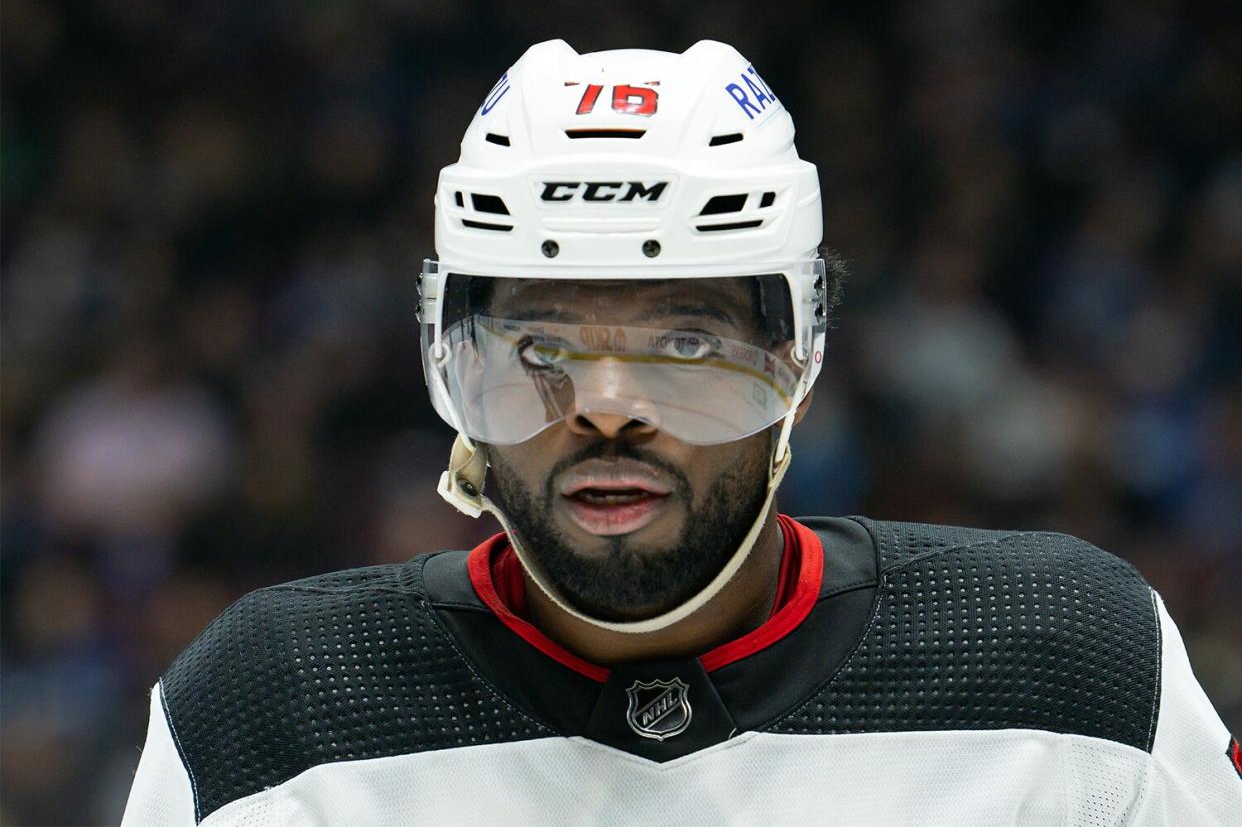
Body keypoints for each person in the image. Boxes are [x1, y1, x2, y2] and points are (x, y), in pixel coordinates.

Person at [122, 40, 1240, 826]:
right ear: (450, 361)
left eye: (690, 344)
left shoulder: (1071, 662)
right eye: (543, 347)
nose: (610, 406)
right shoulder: (264, 710)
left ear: (801, 358)